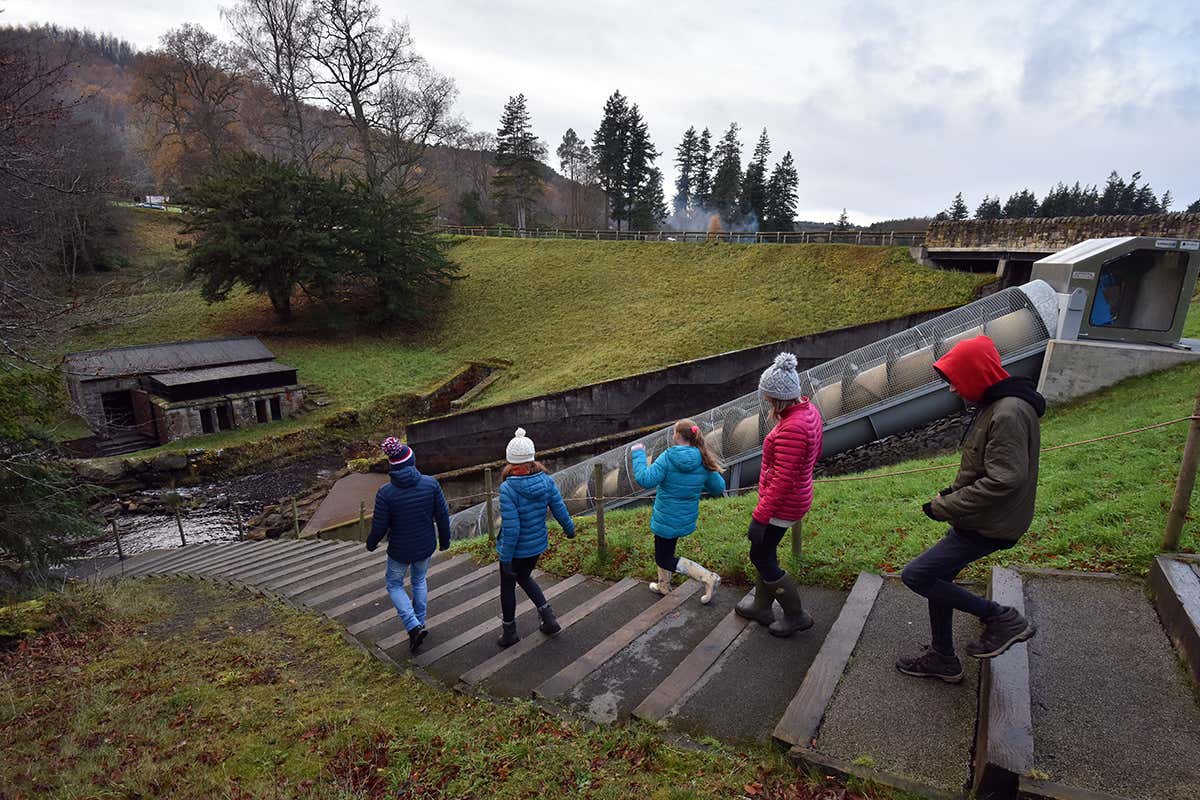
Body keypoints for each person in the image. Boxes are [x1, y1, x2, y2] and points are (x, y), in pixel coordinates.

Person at [896, 335, 1043, 683]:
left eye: (954, 381)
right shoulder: (999, 405)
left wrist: (945, 505)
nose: (952, 390)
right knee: (939, 577)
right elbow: (989, 466)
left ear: (976, 375)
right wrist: (956, 491)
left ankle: (1001, 618)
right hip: (985, 517)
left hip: (989, 523)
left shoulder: (1007, 412)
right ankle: (943, 658)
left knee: (917, 575)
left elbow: (1004, 480)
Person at [734, 352, 824, 637]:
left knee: (761, 555)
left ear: (777, 398)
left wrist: (760, 518)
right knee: (765, 552)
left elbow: (784, 478)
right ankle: (761, 607)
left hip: (783, 504)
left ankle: (796, 614)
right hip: (794, 497)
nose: (766, 402)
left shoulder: (792, 428)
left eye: (768, 398)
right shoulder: (807, 412)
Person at [365, 438, 450, 654]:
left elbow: (380, 526)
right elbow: (442, 515)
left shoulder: (386, 493)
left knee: (394, 585)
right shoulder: (430, 483)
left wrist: (371, 544)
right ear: (411, 461)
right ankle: (419, 624)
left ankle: (413, 626)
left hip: (400, 550)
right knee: (419, 580)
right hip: (425, 545)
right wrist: (445, 540)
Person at [629, 419, 726, 604]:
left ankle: (708, 577)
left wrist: (638, 454)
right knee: (666, 549)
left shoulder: (668, 456)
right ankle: (663, 586)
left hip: (665, 516)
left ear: (676, 436)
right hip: (684, 518)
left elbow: (645, 479)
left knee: (664, 558)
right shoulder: (702, 458)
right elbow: (718, 487)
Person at [496, 427, 576, 648]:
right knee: (524, 577)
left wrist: (505, 557)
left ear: (511, 462)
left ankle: (510, 632)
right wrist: (570, 530)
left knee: (508, 585)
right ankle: (548, 619)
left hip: (515, 550)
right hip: (536, 545)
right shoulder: (546, 481)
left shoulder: (508, 489)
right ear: (532, 459)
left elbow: (511, 529)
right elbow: (559, 509)